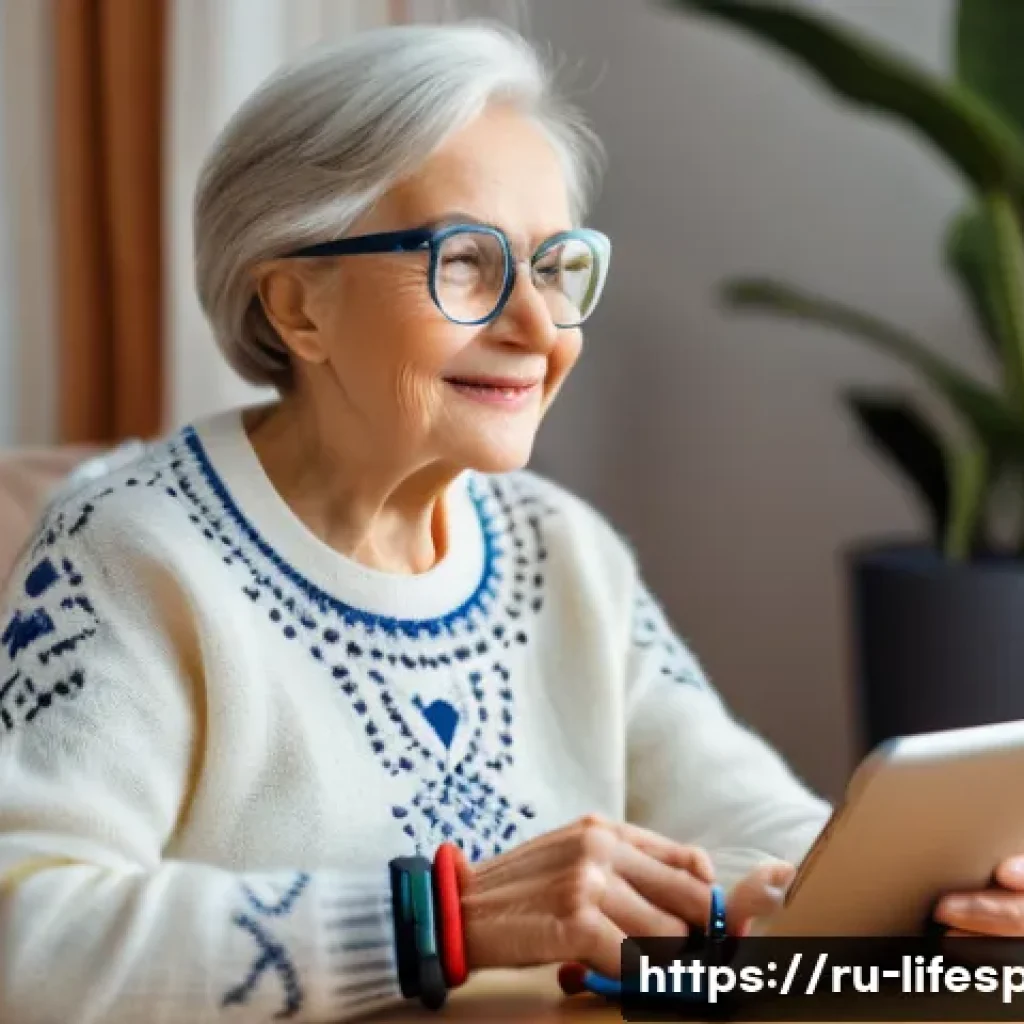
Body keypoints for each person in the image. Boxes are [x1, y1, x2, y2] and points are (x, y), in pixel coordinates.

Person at [0, 21, 1011, 1024]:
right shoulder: (130, 548)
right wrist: (439, 922)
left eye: (556, 267)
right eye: (468, 263)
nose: (537, 326)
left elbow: (752, 819)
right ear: (297, 305)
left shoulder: (553, 545)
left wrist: (909, 896)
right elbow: (28, 935)